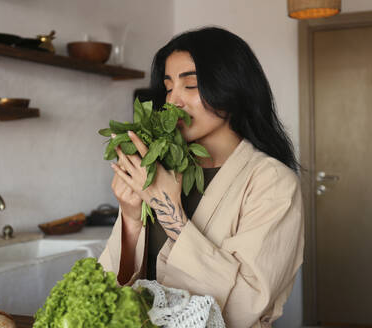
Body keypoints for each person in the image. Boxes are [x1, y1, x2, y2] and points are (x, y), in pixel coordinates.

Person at [98, 26, 304, 328]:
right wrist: (130, 218)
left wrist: (171, 213)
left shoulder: (274, 182)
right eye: (168, 88)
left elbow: (245, 307)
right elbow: (113, 289)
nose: (174, 101)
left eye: (190, 86)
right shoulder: (163, 167)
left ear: (232, 87)